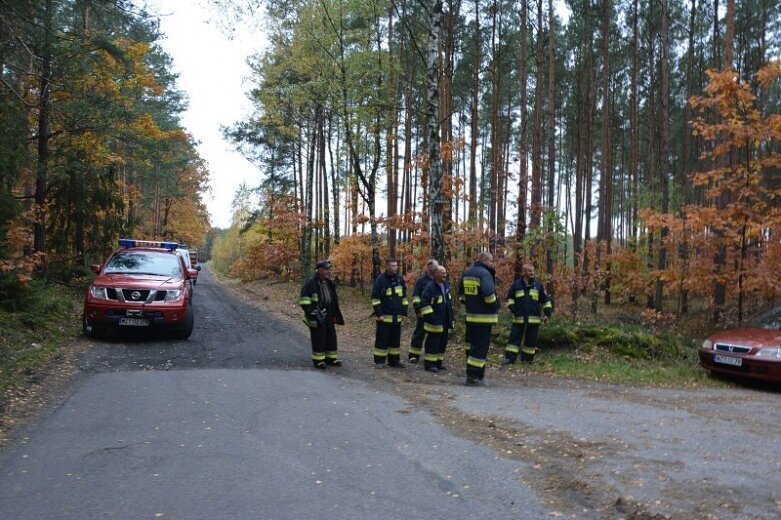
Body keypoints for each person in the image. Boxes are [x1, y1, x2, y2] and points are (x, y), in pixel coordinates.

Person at [459, 251, 500, 386]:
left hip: (471, 317)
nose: (492, 264)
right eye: (491, 261)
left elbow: (462, 297)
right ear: (484, 261)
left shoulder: (467, 273)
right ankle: (473, 376)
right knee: (481, 347)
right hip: (484, 319)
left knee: (472, 346)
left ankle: (477, 375)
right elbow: (489, 296)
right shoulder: (484, 274)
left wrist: (472, 305)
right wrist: (496, 305)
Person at [298, 260, 345, 369]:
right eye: (326, 269)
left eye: (329, 269)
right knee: (319, 338)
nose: (328, 271)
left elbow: (333, 300)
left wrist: (334, 314)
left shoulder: (329, 283)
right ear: (319, 270)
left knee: (331, 337)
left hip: (328, 314)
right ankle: (319, 361)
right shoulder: (311, 283)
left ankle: (331, 358)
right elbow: (304, 301)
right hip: (316, 315)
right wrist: (312, 312)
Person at [505, 263, 553, 364]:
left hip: (533, 319)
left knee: (530, 341)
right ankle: (509, 359)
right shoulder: (516, 285)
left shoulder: (538, 286)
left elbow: (545, 301)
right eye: (530, 271)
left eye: (533, 271)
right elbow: (510, 299)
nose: (532, 273)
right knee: (514, 339)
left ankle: (527, 360)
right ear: (524, 272)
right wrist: (514, 309)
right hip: (519, 318)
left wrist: (547, 314)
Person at [371, 258, 409, 368]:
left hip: (397, 317)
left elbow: (404, 297)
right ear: (387, 267)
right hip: (384, 317)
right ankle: (379, 361)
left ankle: (394, 361)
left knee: (395, 342)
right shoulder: (380, 280)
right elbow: (375, 299)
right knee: (382, 341)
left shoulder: (399, 280)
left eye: (396, 266)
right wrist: (379, 314)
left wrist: (404, 312)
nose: (395, 268)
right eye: (392, 266)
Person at [419, 265, 454, 373]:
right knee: (432, 344)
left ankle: (438, 363)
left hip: (444, 322)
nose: (445, 275)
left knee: (442, 344)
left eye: (445, 272)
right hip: (433, 323)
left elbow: (448, 304)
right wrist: (433, 318)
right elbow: (424, 304)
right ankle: (430, 364)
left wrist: (451, 319)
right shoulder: (430, 287)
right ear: (436, 274)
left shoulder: (446, 285)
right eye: (442, 273)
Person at [409, 259, 439, 364]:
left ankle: (431, 357)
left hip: (436, 314)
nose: (437, 269)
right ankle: (413, 355)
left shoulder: (439, 280)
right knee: (419, 334)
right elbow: (416, 297)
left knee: (434, 336)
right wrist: (418, 310)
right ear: (430, 268)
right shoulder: (421, 281)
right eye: (435, 267)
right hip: (423, 313)